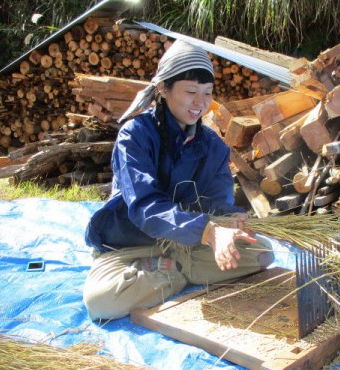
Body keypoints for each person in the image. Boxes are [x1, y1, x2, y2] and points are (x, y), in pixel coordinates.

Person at [83, 39, 274, 321]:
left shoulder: (213, 147)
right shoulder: (134, 136)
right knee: (101, 302)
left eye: (207, 93)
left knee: (262, 253)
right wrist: (208, 232)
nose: (201, 102)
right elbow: (145, 207)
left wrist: (231, 221)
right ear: (163, 89)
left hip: (188, 243)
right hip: (131, 243)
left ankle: (168, 270)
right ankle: (176, 272)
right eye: (191, 91)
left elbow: (217, 204)